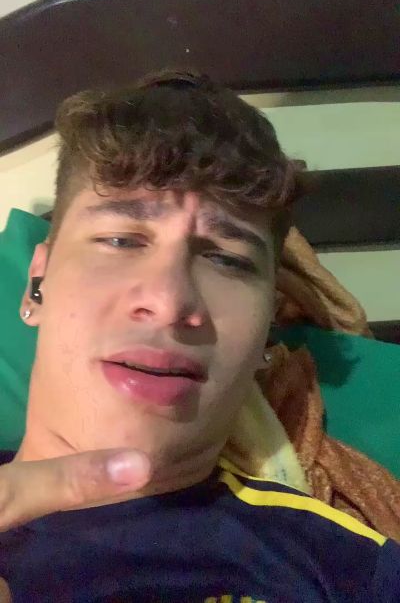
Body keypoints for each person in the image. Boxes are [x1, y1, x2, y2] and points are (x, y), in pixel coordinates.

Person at [0, 70, 399, 603]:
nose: (169, 301)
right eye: (120, 240)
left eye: (227, 260)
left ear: (267, 332)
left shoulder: (341, 568)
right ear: (37, 283)